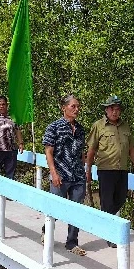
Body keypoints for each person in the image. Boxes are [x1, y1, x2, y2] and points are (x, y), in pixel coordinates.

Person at [85, 95, 134, 248]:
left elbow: (131, 149)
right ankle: (110, 234)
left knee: (121, 198)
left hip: (122, 169)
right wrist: (88, 170)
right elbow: (91, 150)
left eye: (117, 109)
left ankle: (103, 221)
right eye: (112, 108)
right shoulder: (98, 126)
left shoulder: (125, 126)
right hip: (106, 170)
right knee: (107, 201)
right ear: (106, 110)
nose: (115, 112)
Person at [41, 94, 87, 256]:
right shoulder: (54, 127)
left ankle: (72, 242)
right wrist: (53, 173)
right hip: (60, 175)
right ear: (64, 108)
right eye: (73, 106)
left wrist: (85, 171)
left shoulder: (81, 129)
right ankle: (46, 232)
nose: (76, 109)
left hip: (78, 176)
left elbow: (82, 152)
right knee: (55, 208)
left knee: (76, 210)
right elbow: (48, 151)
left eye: (78, 106)